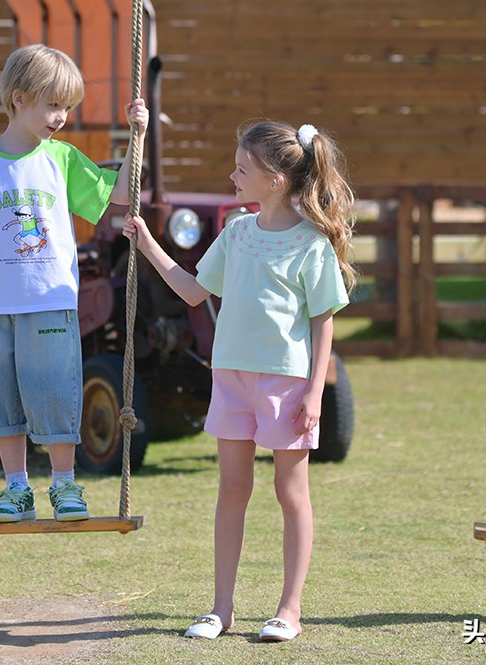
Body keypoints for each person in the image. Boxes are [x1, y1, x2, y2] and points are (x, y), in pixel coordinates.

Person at [123, 119, 356, 642]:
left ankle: (289, 611)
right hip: (230, 380)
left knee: (290, 492)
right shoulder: (236, 233)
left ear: (275, 180)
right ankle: (221, 609)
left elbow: (324, 320)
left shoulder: (312, 243)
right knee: (232, 489)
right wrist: (147, 244)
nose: (232, 175)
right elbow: (191, 291)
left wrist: (316, 392)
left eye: (242, 168)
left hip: (288, 386)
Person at [0, 44, 148, 523]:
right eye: (53, 104)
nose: (61, 116)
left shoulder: (62, 159)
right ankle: (16, 489)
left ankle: (64, 486)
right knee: (1, 396)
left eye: (66, 106)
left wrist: (136, 136)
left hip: (49, 300)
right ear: (19, 98)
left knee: (53, 391)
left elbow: (121, 194)